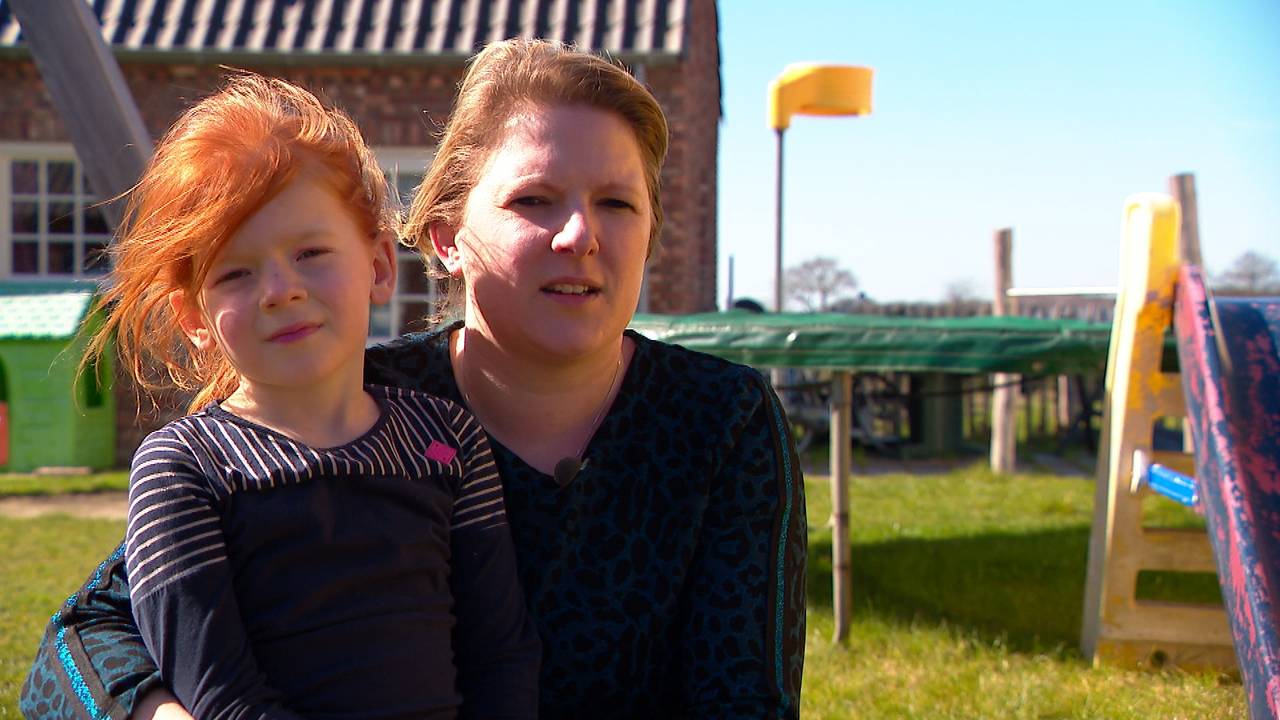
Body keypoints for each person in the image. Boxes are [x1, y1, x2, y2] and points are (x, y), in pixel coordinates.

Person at [23, 39, 807, 720]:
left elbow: (745, 701)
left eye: (617, 203)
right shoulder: (349, 405)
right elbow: (78, 644)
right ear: (445, 239)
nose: (581, 235)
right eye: (534, 200)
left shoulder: (723, 421)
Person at [26, 73, 539, 720]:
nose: (280, 289)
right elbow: (222, 695)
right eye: (236, 272)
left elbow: (501, 655)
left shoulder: (447, 442)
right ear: (193, 317)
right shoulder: (183, 470)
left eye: (311, 251)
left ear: (380, 263)